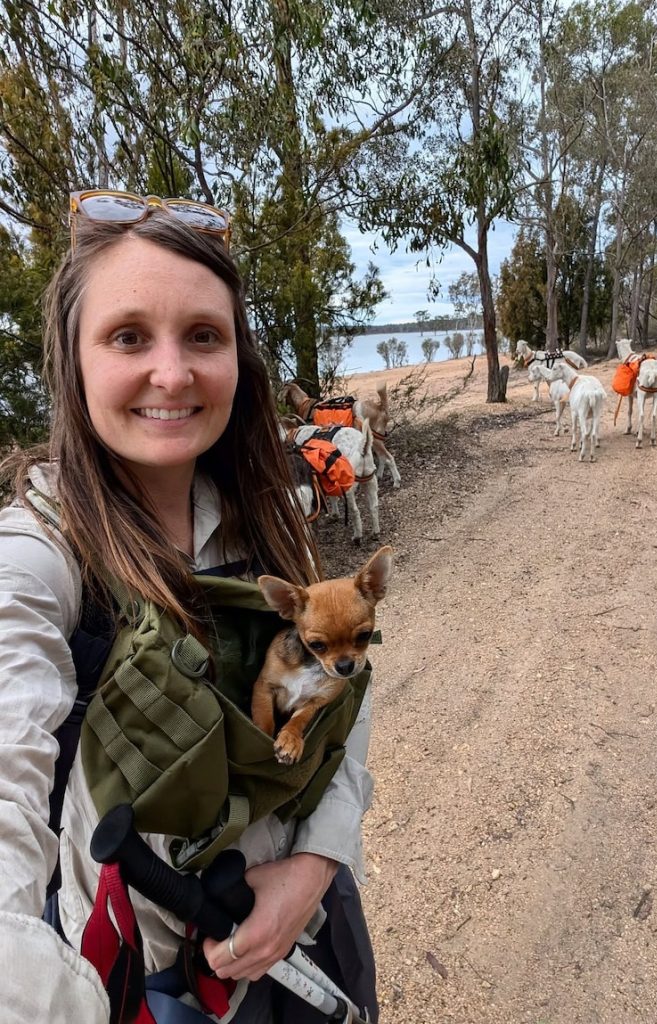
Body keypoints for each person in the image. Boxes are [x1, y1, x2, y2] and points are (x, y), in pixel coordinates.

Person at [0, 191, 377, 1024]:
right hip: (155, 986)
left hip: (311, 931)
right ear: (73, 359)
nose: (172, 373)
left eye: (203, 335)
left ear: (237, 357)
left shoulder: (268, 523)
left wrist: (316, 862)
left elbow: (346, 695)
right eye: (128, 335)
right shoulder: (38, 561)